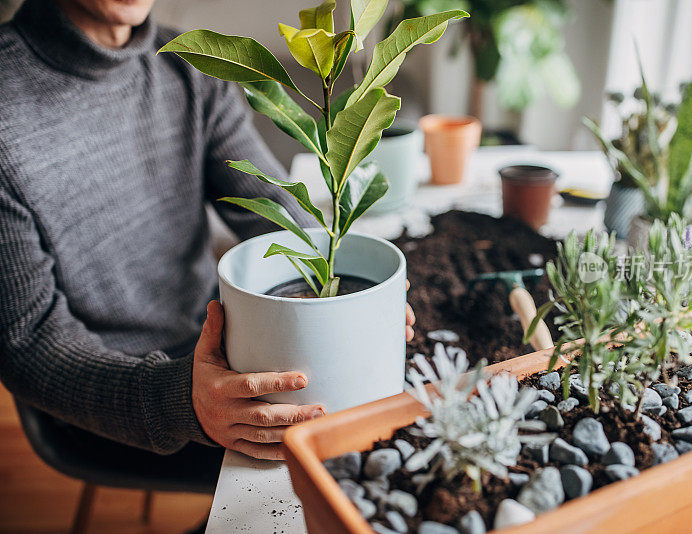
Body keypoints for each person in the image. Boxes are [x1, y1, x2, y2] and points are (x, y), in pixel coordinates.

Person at [0, 0, 415, 462]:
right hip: (117, 400)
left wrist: (353, 299)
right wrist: (178, 400)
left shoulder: (189, 68)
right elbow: (29, 341)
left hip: (228, 344)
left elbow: (272, 206)